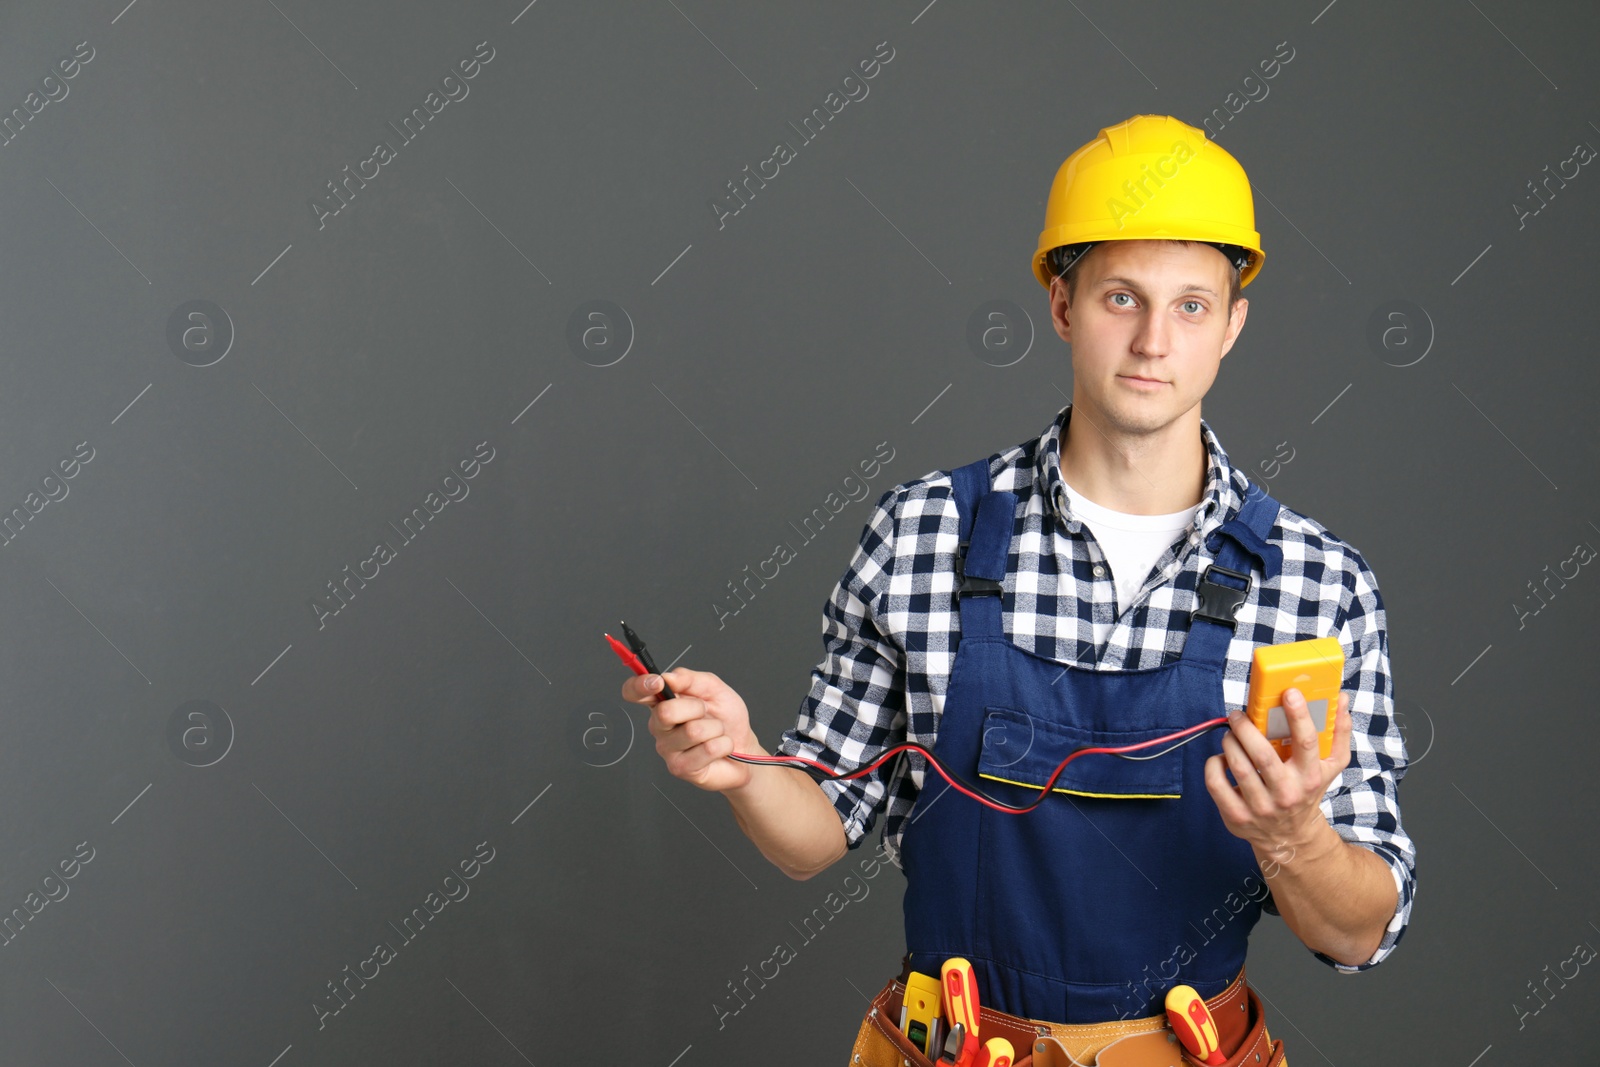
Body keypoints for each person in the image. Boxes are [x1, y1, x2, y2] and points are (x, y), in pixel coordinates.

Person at [624, 114, 1414, 1067]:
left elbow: (1360, 930)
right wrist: (743, 767)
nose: (1155, 339)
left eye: (1193, 305)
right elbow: (816, 832)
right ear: (1062, 302)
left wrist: (1293, 838)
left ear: (1234, 324)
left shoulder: (1317, 583)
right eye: (1123, 296)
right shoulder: (924, 534)